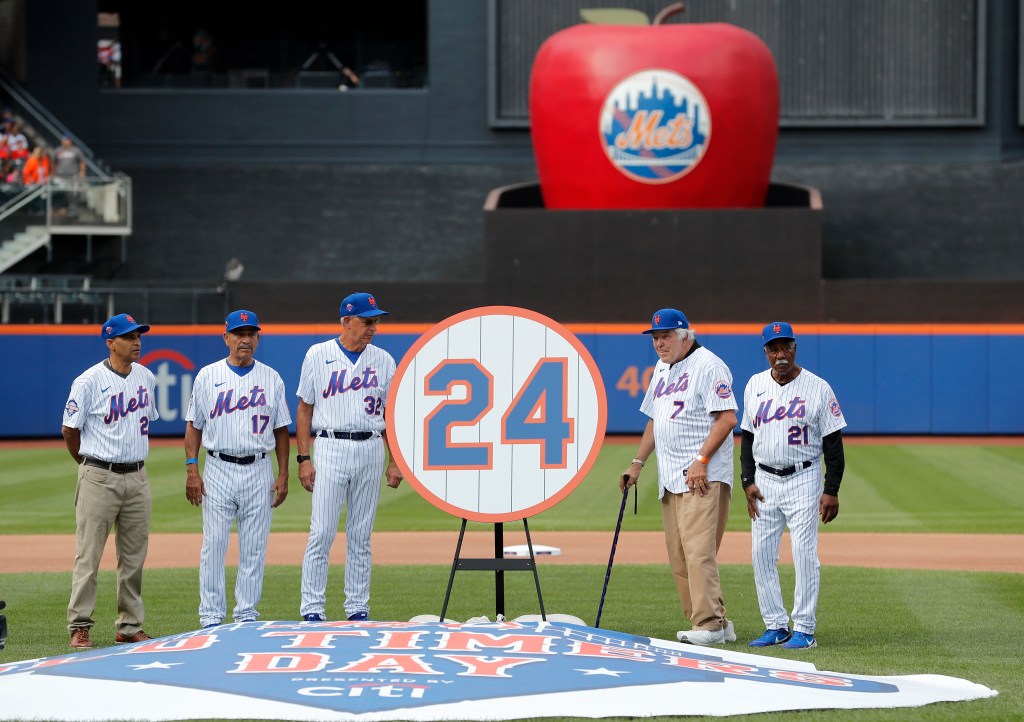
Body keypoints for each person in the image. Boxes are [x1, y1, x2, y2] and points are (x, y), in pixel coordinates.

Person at [621, 308, 738, 646]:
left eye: (666, 336)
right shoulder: (661, 368)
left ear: (686, 335)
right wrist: (637, 463)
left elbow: (727, 419)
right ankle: (716, 622)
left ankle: (709, 626)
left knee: (699, 551)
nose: (660, 343)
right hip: (670, 476)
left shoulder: (709, 365)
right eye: (656, 337)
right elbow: (656, 420)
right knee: (679, 555)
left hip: (703, 475)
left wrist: (701, 460)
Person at [296, 292, 403, 622]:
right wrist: (303, 458)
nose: (373, 327)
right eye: (367, 321)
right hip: (330, 446)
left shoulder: (383, 360)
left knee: (361, 534)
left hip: (370, 446)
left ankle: (358, 608)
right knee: (322, 531)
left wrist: (395, 459)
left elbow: (392, 413)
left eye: (376, 321)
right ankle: (312, 609)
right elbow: (304, 409)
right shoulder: (318, 354)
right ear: (346, 321)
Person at [740, 322, 847, 650]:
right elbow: (747, 437)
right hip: (765, 481)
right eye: (774, 348)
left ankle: (804, 628)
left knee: (803, 553)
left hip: (804, 478)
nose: (780, 354)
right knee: (760, 555)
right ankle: (775, 625)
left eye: (785, 347)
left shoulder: (818, 387)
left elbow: (833, 443)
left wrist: (831, 489)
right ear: (766, 352)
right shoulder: (755, 385)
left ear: (795, 348)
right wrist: (747, 481)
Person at [184, 310, 291, 628]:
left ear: (258, 338)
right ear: (226, 337)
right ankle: (211, 616)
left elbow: (281, 430)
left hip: (259, 468)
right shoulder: (207, 375)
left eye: (251, 333)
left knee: (254, 548)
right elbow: (194, 426)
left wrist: (283, 473)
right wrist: (192, 468)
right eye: (239, 333)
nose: (245, 339)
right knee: (214, 544)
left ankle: (246, 614)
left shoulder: (271, 378)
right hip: (218, 466)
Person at [61, 313, 159, 649]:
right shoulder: (87, 381)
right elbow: (69, 430)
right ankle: (80, 625)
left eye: (139, 336)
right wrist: (87, 465)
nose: (137, 342)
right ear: (110, 342)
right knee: (88, 557)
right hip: (98, 475)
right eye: (129, 337)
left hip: (137, 476)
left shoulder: (146, 377)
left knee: (133, 558)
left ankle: (129, 626)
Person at [51, 135, 86, 216]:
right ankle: (59, 209)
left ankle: (72, 210)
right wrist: (53, 172)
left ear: (70, 141)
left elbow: (82, 161)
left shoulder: (76, 150)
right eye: (63, 140)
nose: (64, 142)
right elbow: (53, 162)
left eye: (66, 140)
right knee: (59, 193)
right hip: (60, 176)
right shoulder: (58, 150)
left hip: (72, 176)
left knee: (72, 194)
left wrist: (82, 171)